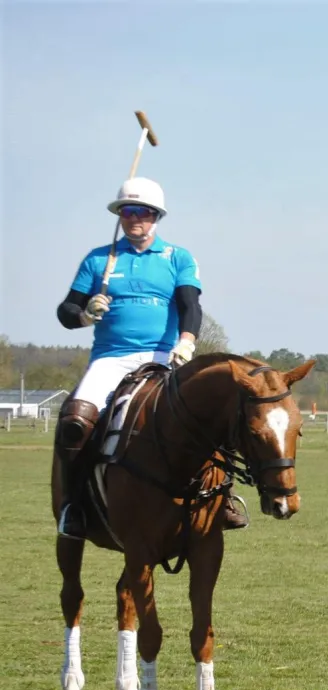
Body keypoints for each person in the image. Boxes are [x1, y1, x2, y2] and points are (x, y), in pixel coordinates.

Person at [54, 177, 247, 538]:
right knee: (75, 419)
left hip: (164, 356)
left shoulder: (177, 257)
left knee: (212, 411)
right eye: (128, 211)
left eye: (142, 211)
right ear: (120, 215)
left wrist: (187, 341)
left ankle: (224, 499)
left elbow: (190, 305)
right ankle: (74, 505)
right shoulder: (99, 260)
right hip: (111, 359)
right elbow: (66, 311)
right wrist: (86, 315)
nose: (134, 218)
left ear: (156, 216)